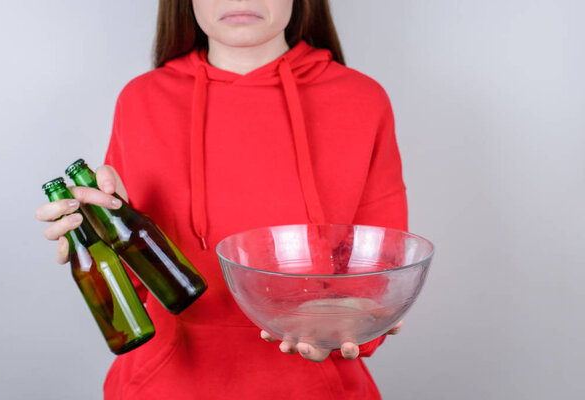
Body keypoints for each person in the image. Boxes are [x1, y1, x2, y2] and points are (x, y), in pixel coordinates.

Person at [36, 0, 407, 398]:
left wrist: (351, 326)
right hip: (164, 386)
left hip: (315, 386)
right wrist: (96, 236)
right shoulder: (140, 100)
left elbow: (380, 271)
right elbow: (136, 291)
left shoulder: (362, 99)